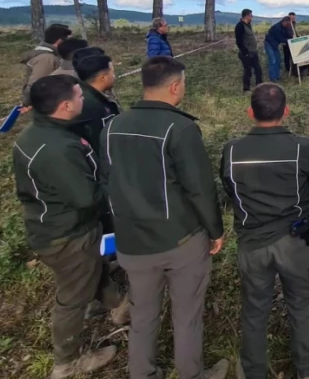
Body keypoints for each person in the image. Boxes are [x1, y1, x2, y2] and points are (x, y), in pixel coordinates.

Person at [98, 57, 229, 379]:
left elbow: (105, 182)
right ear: (174, 86)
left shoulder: (111, 127)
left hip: (132, 242)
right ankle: (191, 373)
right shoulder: (180, 128)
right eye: (183, 83)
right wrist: (215, 230)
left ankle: (142, 373)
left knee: (143, 315)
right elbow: (199, 188)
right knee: (187, 315)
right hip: (179, 239)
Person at [11, 74, 129, 379]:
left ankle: (119, 308)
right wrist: (120, 182)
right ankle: (66, 363)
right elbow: (87, 197)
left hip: (55, 225)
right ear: (65, 106)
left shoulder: (36, 134)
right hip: (67, 234)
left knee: (94, 268)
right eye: (79, 96)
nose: (83, 100)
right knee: (72, 297)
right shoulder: (59, 149)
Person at [220, 84, 309, 379]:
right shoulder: (300, 147)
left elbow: (229, 189)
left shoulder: (232, 150)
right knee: (300, 302)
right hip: (293, 239)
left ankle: (254, 370)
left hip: (251, 241)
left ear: (249, 112)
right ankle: (307, 368)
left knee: (255, 306)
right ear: (286, 111)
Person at [68, 54, 120, 153]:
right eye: (112, 73)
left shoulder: (86, 95)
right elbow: (99, 139)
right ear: (103, 77)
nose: (114, 76)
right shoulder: (92, 105)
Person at [21, 24, 74, 106]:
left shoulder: (51, 56)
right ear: (59, 41)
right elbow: (35, 86)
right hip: (49, 106)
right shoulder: (47, 59)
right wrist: (28, 103)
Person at [235, 9, 264, 92]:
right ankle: (246, 89)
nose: (252, 17)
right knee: (248, 71)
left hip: (253, 52)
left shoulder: (248, 25)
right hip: (246, 54)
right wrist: (245, 52)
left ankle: (259, 86)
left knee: (258, 69)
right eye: (251, 15)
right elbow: (239, 41)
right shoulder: (240, 26)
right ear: (246, 16)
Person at [263, 16, 293, 83]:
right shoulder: (277, 28)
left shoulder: (283, 27)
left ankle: (277, 77)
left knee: (278, 60)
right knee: (273, 61)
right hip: (269, 44)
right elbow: (281, 39)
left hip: (275, 45)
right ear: (284, 22)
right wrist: (291, 40)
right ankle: (272, 78)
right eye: (287, 24)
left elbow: (285, 36)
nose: (288, 26)